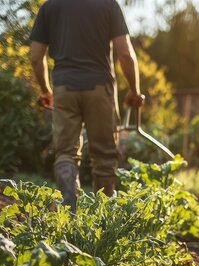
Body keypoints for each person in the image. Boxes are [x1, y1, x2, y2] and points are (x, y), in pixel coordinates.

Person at [29, 0, 143, 210]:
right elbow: (125, 53)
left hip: (64, 88)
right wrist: (134, 90)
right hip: (100, 87)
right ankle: (102, 216)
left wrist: (46, 90)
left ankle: (68, 208)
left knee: (66, 152)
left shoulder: (49, 7)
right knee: (104, 155)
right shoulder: (108, 5)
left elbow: (36, 57)